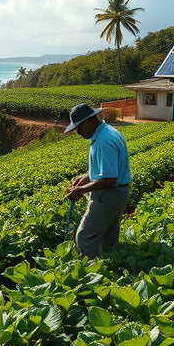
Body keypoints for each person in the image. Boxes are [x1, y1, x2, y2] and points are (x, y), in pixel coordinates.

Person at [64, 102, 131, 257]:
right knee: (108, 239)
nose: (78, 132)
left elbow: (109, 179)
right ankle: (111, 269)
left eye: (79, 127)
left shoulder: (103, 141)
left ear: (91, 120)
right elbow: (103, 172)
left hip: (109, 194)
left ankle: (92, 274)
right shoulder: (106, 133)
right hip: (117, 193)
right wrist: (84, 180)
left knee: (84, 238)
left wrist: (81, 190)